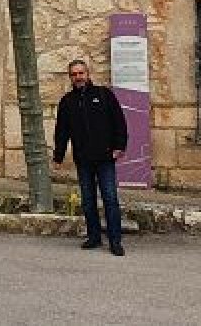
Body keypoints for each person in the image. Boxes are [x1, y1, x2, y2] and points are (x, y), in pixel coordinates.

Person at [52, 59, 128, 256]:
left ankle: (115, 241)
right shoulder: (67, 102)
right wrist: (58, 156)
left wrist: (120, 146)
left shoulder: (104, 95)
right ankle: (94, 237)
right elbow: (61, 131)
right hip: (83, 159)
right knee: (88, 200)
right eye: (74, 74)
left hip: (105, 158)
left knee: (110, 199)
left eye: (81, 73)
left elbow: (119, 121)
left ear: (88, 74)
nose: (78, 77)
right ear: (70, 77)